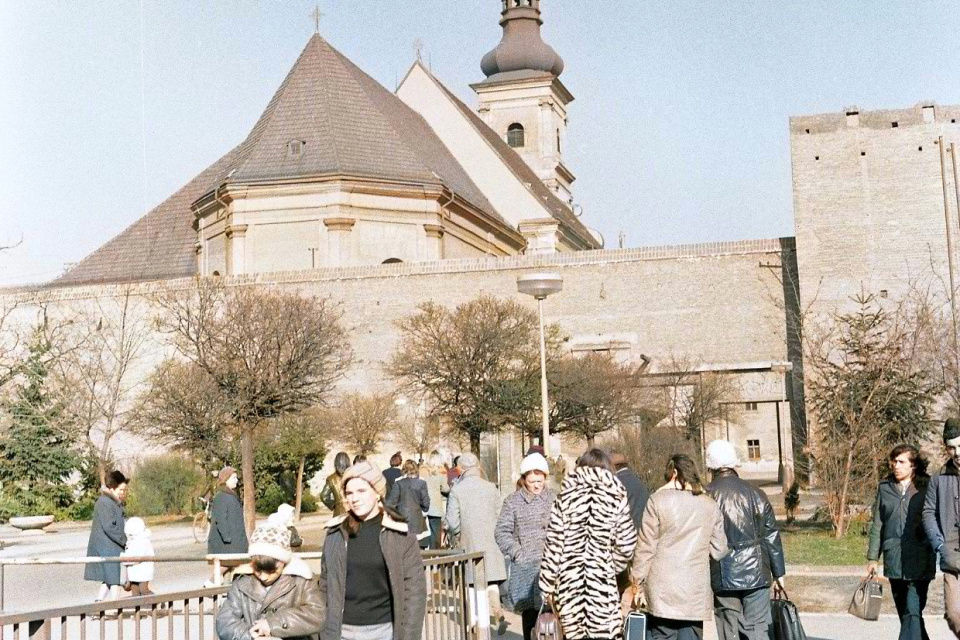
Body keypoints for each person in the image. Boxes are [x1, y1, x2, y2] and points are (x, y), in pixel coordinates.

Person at [318, 460, 426, 640]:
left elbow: (414, 593)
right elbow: (325, 585)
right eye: (349, 493)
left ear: (377, 493)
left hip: (384, 631)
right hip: (340, 631)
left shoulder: (399, 535)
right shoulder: (335, 534)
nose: (354, 498)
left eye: (361, 491)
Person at [539, 449, 637, 640]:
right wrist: (608, 564)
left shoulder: (565, 496)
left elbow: (553, 545)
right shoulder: (615, 494)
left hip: (569, 583)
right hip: (601, 583)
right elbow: (627, 544)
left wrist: (547, 585)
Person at [631, 454, 728, 640]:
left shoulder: (657, 500)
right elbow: (719, 549)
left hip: (661, 590)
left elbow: (646, 547)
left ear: (674, 473)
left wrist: (637, 582)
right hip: (695, 591)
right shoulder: (709, 505)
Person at [705, 440, 785, 640]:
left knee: (728, 629)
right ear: (734, 463)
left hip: (722, 571)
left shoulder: (705, 495)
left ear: (710, 465)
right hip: (757, 570)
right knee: (757, 629)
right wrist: (779, 573)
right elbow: (771, 535)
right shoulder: (756, 493)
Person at [868, 443, 935, 640]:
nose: (896, 465)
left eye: (901, 461)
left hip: (920, 559)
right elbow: (877, 524)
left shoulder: (928, 486)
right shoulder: (885, 488)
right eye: (894, 461)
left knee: (912, 610)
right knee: (907, 614)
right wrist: (873, 558)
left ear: (913, 465)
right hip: (894, 558)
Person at [216, 521, 325, 640]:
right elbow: (225, 621)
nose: (264, 577)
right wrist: (251, 636)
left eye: (271, 571)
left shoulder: (302, 580)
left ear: (282, 563)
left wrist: (273, 624)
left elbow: (317, 615)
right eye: (258, 569)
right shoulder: (242, 582)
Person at [445, 453, 509, 634]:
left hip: (469, 541)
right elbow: (500, 515)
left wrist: (455, 535)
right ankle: (497, 611)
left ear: (461, 468)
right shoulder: (491, 488)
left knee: (472, 584)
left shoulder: (457, 490)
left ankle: (474, 623)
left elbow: (452, 522)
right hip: (492, 541)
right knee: (491, 580)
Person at [495, 452, 556, 640]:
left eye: (540, 480)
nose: (537, 485)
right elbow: (501, 532)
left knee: (555, 620)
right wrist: (517, 552)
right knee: (530, 621)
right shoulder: (513, 502)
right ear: (524, 479)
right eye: (532, 481)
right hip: (526, 570)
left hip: (554, 568)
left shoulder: (555, 499)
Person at [924, 419, 960, 639]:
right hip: (951, 558)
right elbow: (928, 512)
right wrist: (939, 543)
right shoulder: (939, 477)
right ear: (946, 448)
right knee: (954, 613)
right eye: (952, 447)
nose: (957, 452)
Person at [85, 470, 129, 602]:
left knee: (109, 578)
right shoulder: (105, 502)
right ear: (112, 488)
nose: (123, 492)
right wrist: (124, 540)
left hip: (111, 545)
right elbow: (109, 527)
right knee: (115, 578)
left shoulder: (111, 501)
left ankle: (98, 604)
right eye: (121, 489)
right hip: (108, 546)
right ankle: (115, 607)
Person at [208, 466, 248, 569]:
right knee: (227, 566)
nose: (237, 480)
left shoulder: (230, 495)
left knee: (234, 567)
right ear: (226, 479)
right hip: (228, 543)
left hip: (234, 541)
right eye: (234, 478)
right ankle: (210, 584)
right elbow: (221, 519)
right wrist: (227, 538)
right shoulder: (221, 496)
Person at [386, 459, 431, 548]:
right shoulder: (421, 483)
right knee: (419, 554)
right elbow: (426, 504)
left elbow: (391, 503)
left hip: (401, 521)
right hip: (418, 522)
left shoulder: (398, 482)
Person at [610, 451, 649, 532]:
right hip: (643, 531)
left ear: (613, 466)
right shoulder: (639, 481)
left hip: (625, 534)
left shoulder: (615, 483)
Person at [422, 451, 450, 549]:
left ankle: (428, 552)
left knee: (427, 531)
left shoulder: (423, 471)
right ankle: (435, 554)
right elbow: (445, 489)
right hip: (435, 506)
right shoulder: (441, 473)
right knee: (435, 532)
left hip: (424, 506)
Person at [121, 517, 155, 597]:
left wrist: (124, 559)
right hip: (133, 572)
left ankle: (159, 602)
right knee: (135, 593)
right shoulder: (132, 541)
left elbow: (138, 557)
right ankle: (138, 609)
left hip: (143, 570)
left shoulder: (143, 541)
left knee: (144, 590)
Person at [321, 451, 351, 516]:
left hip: (338, 512)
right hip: (352, 511)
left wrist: (335, 504)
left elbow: (323, 496)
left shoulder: (331, 478)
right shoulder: (353, 475)